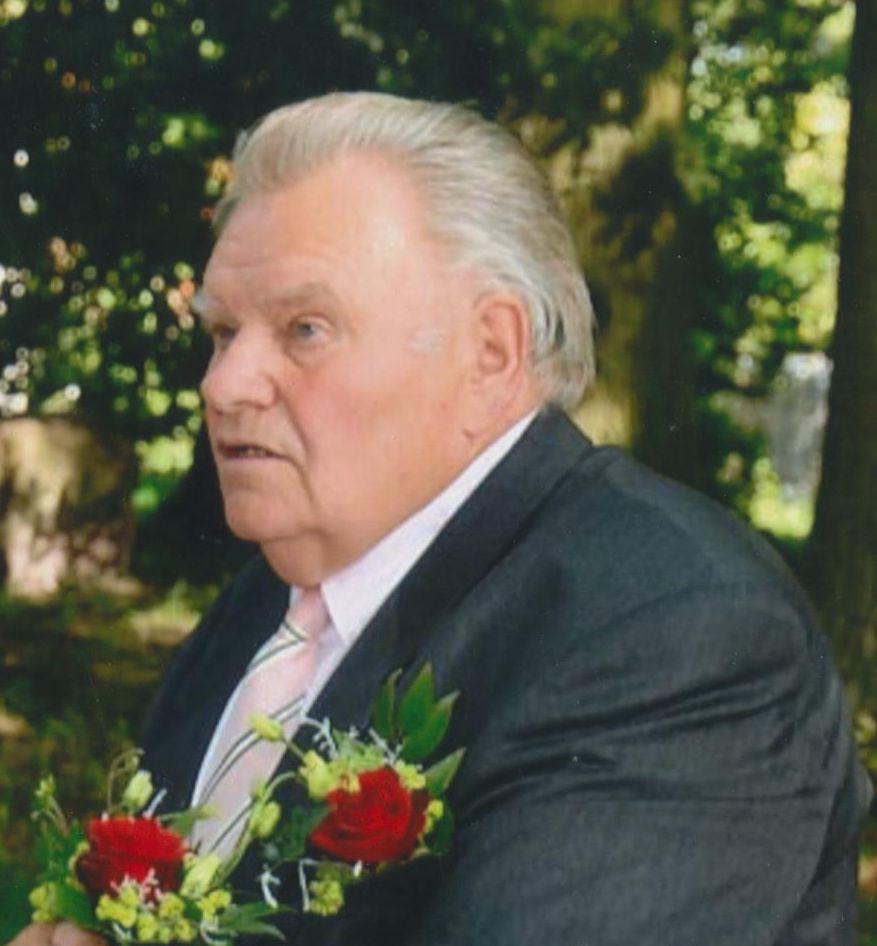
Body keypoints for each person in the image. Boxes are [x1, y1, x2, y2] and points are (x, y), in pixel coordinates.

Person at [10, 91, 871, 946]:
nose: (224, 384)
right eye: (224, 333)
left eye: (304, 329)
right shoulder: (267, 601)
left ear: (489, 354)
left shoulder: (676, 629)